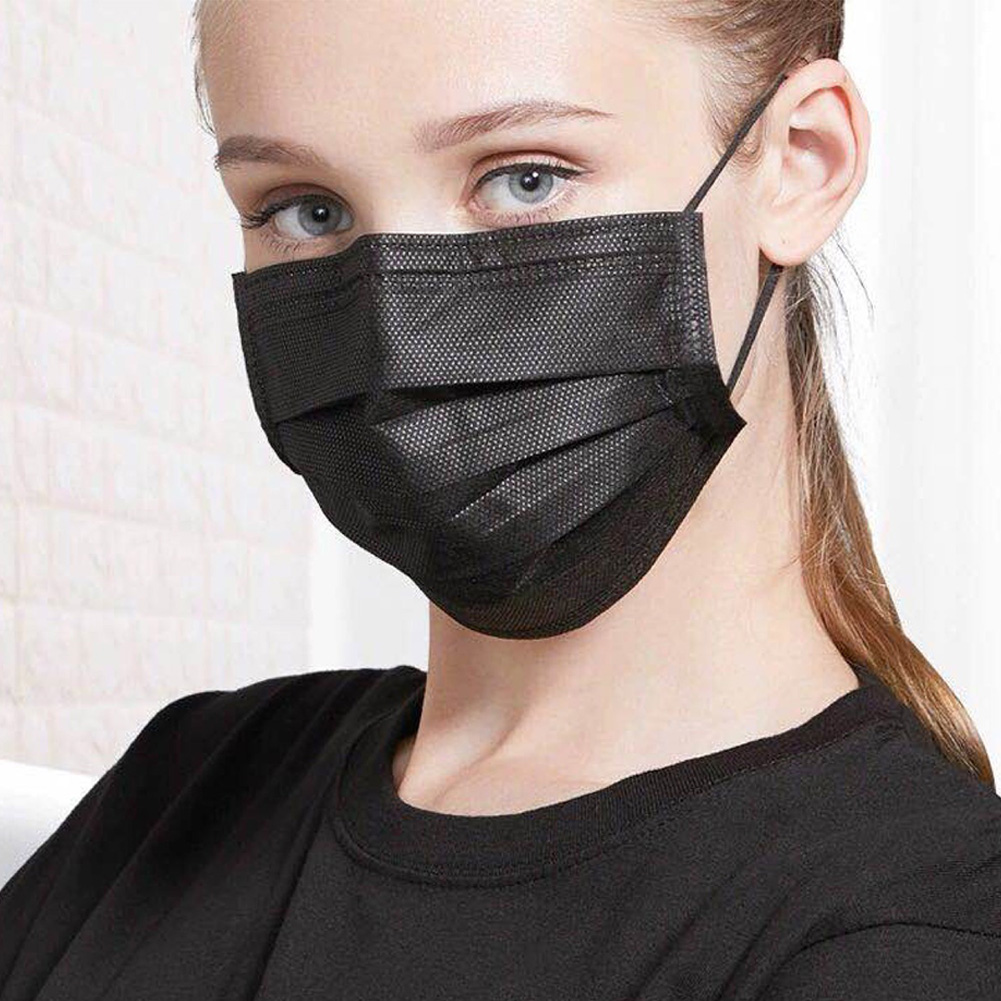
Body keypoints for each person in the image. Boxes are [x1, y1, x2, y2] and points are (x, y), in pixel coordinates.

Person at [2, 1, 999, 998]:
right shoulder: (189, 783)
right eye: (306, 209)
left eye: (525, 177)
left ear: (801, 161)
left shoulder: (915, 936)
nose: (397, 342)